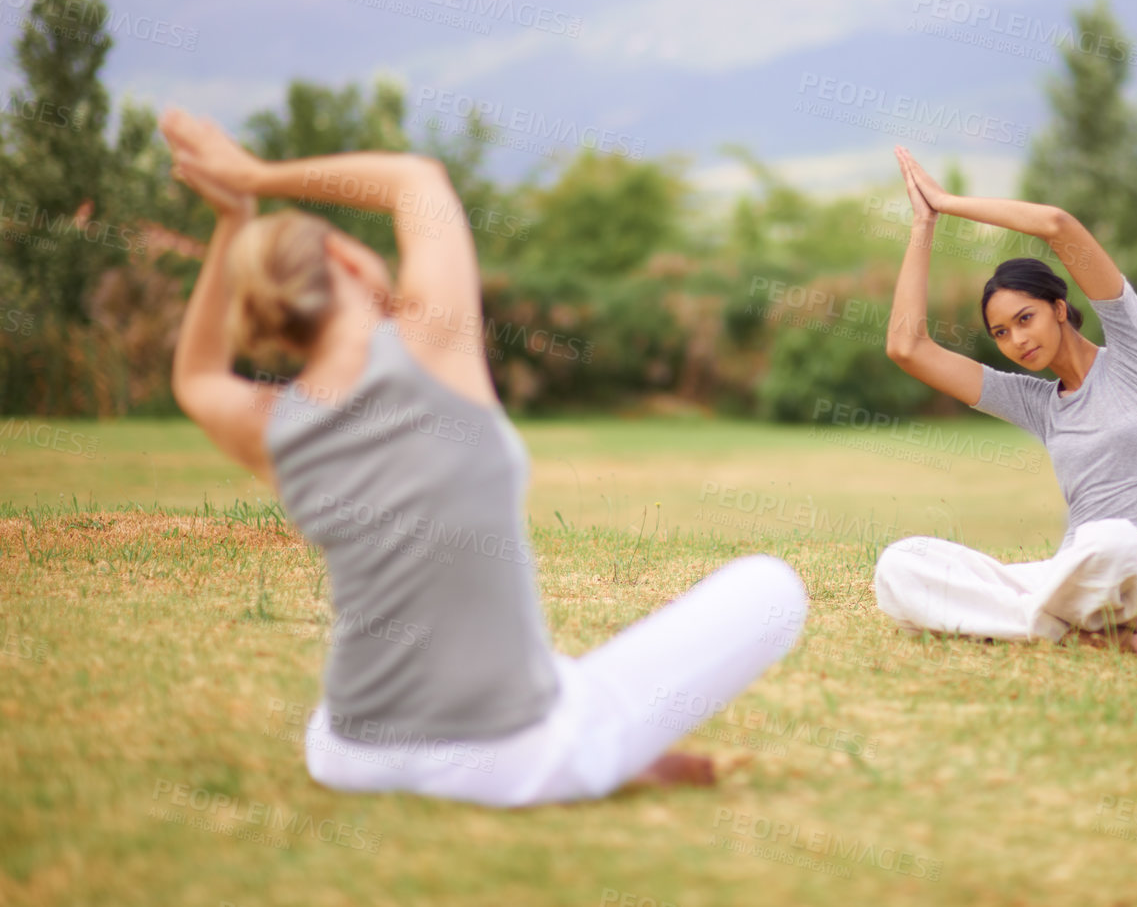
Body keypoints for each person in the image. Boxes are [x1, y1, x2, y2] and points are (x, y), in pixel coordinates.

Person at [159, 107, 807, 805]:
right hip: (507, 759)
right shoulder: (432, 341)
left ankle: (599, 736)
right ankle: (603, 749)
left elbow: (195, 379)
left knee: (547, 671)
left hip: (351, 751)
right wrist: (254, 175)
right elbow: (415, 178)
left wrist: (232, 223)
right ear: (347, 260)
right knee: (772, 588)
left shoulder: (276, 425)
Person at [871, 147, 1137, 655]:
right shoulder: (1037, 402)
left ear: (1059, 308)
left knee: (1113, 541)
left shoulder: (1136, 354)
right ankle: (1071, 625)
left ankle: (1049, 621)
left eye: (1026, 318)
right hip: (1068, 577)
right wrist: (922, 225)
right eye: (1001, 332)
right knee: (902, 562)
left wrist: (947, 201)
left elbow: (1057, 225)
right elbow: (907, 348)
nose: (1017, 340)